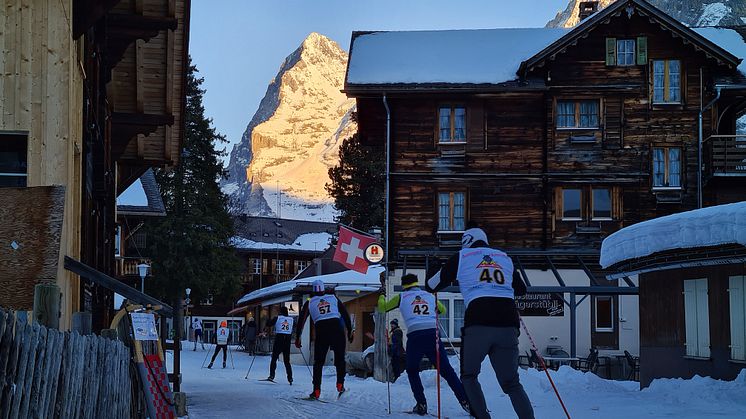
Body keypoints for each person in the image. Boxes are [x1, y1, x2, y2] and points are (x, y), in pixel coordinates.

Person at [427, 227, 534, 419]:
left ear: (466, 242)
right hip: (508, 324)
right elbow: (521, 290)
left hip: (478, 323)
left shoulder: (462, 256)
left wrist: (434, 266)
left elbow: (431, 285)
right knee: (512, 383)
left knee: (469, 376)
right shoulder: (504, 257)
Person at [379, 273, 470, 416]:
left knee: (412, 370)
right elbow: (443, 310)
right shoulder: (429, 295)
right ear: (416, 283)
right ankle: (465, 401)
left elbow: (382, 308)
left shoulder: (401, 297)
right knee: (446, 370)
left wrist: (382, 295)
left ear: (404, 286)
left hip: (415, 336)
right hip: (433, 334)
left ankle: (421, 403)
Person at [295, 279, 354, 400]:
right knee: (339, 359)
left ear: (313, 290)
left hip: (321, 330)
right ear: (323, 289)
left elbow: (301, 320)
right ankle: (340, 385)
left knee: (319, 362)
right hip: (337, 328)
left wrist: (298, 337)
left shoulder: (309, 302)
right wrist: (350, 331)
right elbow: (345, 314)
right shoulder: (333, 298)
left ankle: (316, 390)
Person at [266, 306, 294, 384]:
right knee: (287, 361)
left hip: (279, 339)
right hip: (287, 340)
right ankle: (290, 377)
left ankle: (271, 375)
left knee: (274, 358)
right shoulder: (291, 319)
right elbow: (295, 327)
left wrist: (268, 319)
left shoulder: (277, 318)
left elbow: (268, 324)